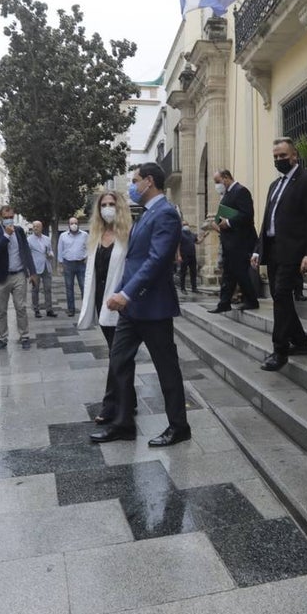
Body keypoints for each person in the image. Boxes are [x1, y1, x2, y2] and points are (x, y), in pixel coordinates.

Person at [89, 164, 191, 447]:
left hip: (153, 307)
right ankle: (123, 423)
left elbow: (157, 260)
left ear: (148, 182)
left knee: (166, 368)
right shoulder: (146, 215)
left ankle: (179, 426)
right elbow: (133, 261)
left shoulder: (167, 214)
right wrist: (121, 294)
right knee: (119, 361)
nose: (131, 187)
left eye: (134, 181)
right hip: (131, 309)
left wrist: (128, 293)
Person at [252, 138, 307, 372]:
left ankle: (279, 350)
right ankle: (301, 343)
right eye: (275, 157)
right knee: (279, 297)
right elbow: (267, 220)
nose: (279, 160)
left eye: (283, 156)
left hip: (294, 251)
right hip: (273, 249)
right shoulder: (275, 185)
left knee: (282, 295)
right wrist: (257, 249)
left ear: (294, 156)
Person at [77, 191, 133, 424]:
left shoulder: (128, 235)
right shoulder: (96, 235)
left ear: (119, 207)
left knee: (117, 356)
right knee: (117, 354)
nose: (107, 208)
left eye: (111, 204)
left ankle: (111, 405)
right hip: (102, 304)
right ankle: (130, 400)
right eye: (103, 205)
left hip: (121, 304)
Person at [208, 169, 260, 313]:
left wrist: (229, 222)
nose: (216, 185)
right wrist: (217, 222)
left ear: (226, 178)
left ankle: (251, 300)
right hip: (229, 242)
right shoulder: (227, 195)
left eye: (217, 182)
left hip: (240, 241)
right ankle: (224, 303)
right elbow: (223, 215)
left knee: (240, 272)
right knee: (229, 274)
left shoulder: (241, 191)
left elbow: (247, 215)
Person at [0, 206, 36, 351]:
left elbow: (26, 251)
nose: (9, 220)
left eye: (11, 217)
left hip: (19, 274)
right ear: (1, 218)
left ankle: (24, 336)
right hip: (1, 277)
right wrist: (6, 236)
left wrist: (32, 272)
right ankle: (2, 338)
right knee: (1, 310)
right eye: (6, 217)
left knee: (21, 307)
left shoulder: (20, 231)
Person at [56, 216, 88, 316]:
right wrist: (60, 264)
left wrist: (86, 257)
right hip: (68, 264)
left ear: (78, 224)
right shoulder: (63, 236)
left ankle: (86, 310)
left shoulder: (85, 235)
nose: (74, 225)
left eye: (75, 223)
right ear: (68, 225)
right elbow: (60, 249)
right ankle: (71, 310)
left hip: (81, 264)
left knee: (84, 287)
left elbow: (89, 247)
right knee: (69, 288)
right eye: (71, 223)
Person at [26, 221, 57, 318]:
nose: (35, 228)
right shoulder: (29, 240)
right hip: (35, 268)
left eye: (37, 226)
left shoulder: (47, 239)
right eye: (34, 226)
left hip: (46, 267)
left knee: (48, 289)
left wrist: (51, 254)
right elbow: (27, 255)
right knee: (35, 289)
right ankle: (36, 310)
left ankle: (49, 310)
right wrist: (29, 270)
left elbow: (50, 250)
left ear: (41, 227)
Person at [175, 221, 201, 294]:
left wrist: (204, 237)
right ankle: (183, 288)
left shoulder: (192, 235)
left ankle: (194, 288)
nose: (186, 226)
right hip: (184, 255)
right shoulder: (180, 234)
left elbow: (198, 242)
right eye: (184, 224)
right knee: (183, 272)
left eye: (186, 224)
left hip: (192, 255)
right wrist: (179, 255)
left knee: (193, 272)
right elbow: (178, 246)